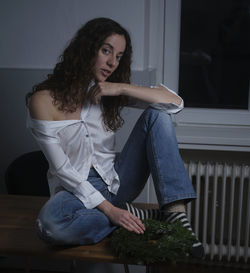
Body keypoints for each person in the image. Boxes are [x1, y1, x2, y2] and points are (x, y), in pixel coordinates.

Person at [26, 17, 204, 258]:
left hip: (118, 178)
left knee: (159, 116)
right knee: (48, 226)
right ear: (87, 48)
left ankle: (175, 213)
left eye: (119, 56)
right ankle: (134, 214)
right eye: (106, 50)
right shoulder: (42, 101)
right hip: (75, 189)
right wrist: (111, 211)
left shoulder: (107, 90)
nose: (112, 62)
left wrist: (119, 88)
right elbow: (63, 171)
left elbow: (176, 103)